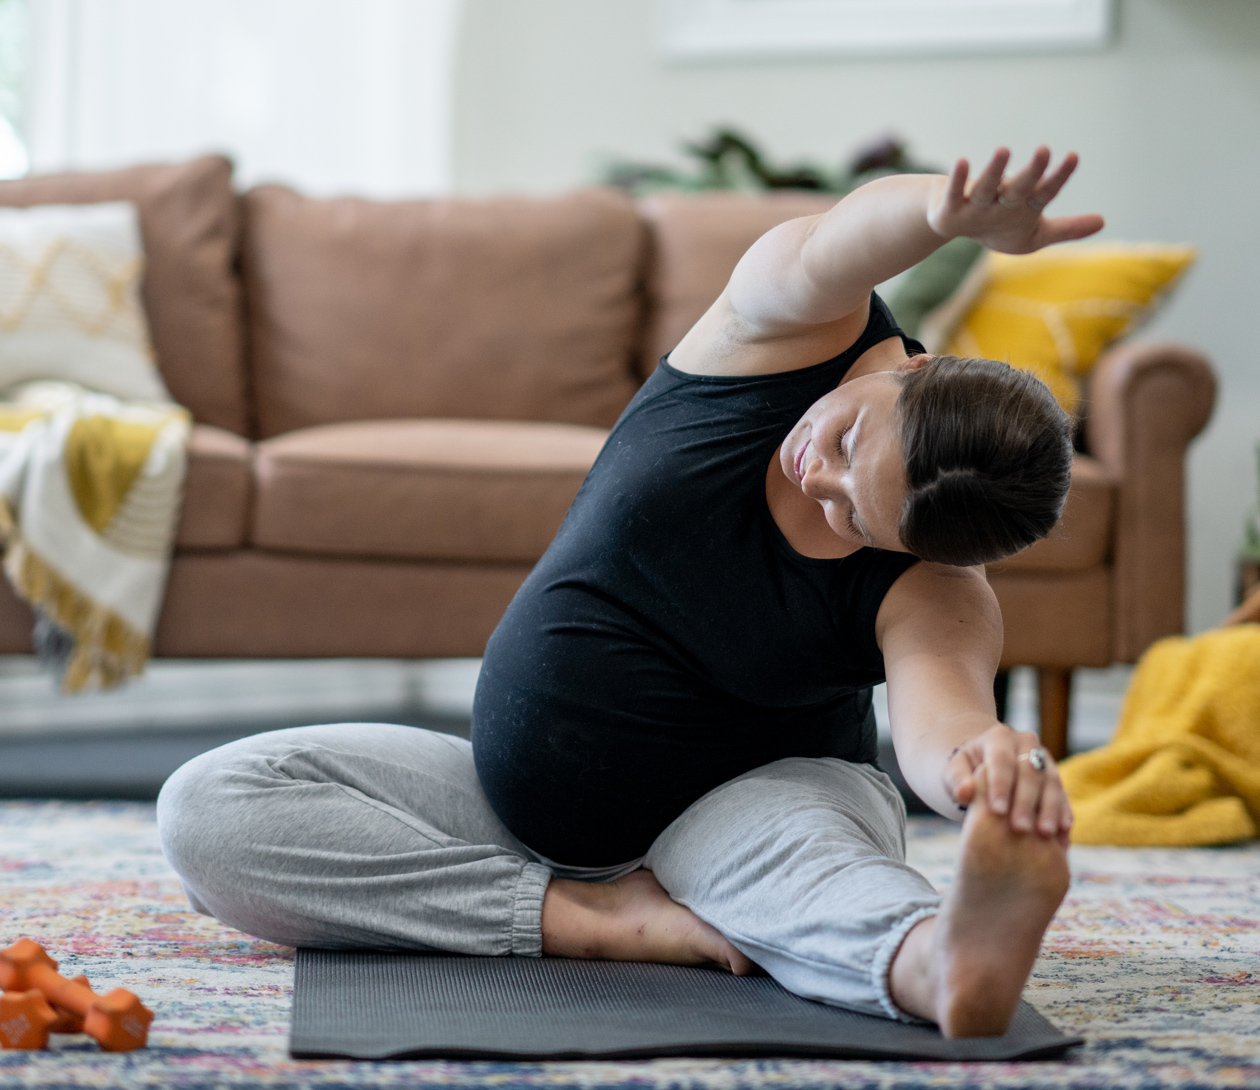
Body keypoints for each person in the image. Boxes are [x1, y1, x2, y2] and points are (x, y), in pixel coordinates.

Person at [157, 146, 1103, 1038]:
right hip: (507, 812)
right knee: (210, 809)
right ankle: (587, 918)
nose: (819, 478)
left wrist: (984, 772)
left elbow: (942, 723)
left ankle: (939, 964)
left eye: (857, 516)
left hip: (747, 811)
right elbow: (837, 241)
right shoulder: (785, 333)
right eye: (850, 442)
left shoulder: (936, 588)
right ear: (914, 368)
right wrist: (941, 211)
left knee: (809, 880)